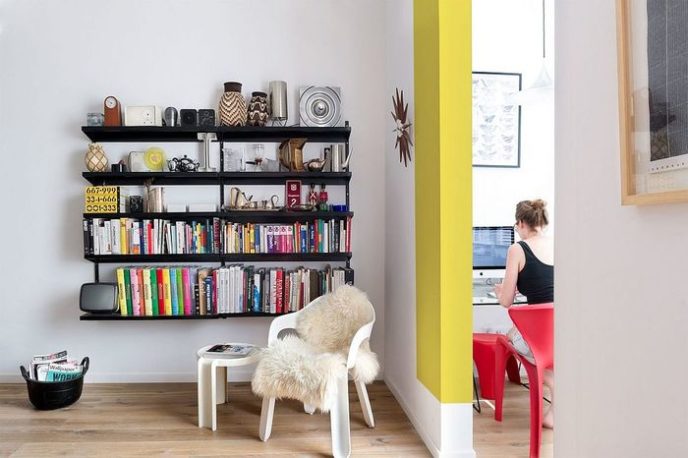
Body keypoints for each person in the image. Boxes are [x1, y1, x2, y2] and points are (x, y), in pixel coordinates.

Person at [493, 199, 555, 429]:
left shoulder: (517, 249)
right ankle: (554, 405)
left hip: (537, 337)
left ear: (520, 223)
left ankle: (553, 385)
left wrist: (501, 291)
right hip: (562, 331)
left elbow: (507, 301)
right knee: (540, 344)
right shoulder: (558, 244)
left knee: (510, 336)